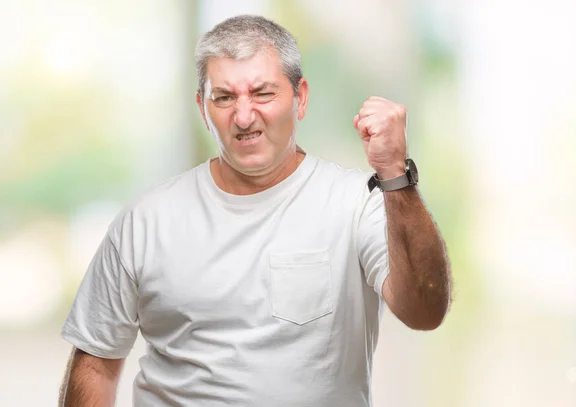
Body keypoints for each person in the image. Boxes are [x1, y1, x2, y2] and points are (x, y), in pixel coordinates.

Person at [58, 14, 452, 407]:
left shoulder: (355, 203)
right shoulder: (145, 221)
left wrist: (395, 176)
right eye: (224, 97)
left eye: (262, 93)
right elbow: (95, 363)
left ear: (300, 98)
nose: (243, 117)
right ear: (202, 107)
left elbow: (425, 310)